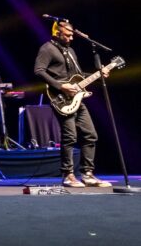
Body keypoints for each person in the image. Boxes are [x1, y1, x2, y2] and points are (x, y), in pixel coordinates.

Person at [34, 20, 111, 188]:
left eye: (71, 35)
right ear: (57, 34)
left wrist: (98, 74)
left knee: (90, 134)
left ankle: (88, 174)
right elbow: (39, 70)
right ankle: (68, 175)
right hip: (60, 97)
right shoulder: (47, 48)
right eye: (67, 35)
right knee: (70, 136)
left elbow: (78, 75)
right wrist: (61, 86)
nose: (71, 38)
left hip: (76, 98)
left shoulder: (71, 51)